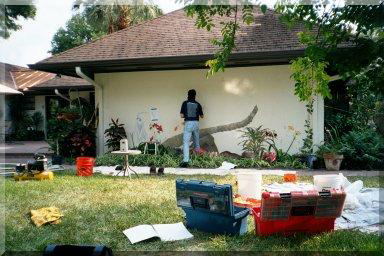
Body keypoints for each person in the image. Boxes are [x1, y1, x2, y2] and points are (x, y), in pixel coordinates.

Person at [179, 89, 204, 167]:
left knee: (186, 142)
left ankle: (186, 160)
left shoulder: (185, 103)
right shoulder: (198, 104)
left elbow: (182, 115)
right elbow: (202, 116)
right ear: (195, 96)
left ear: (188, 95)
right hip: (196, 123)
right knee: (197, 143)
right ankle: (198, 161)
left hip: (188, 123)